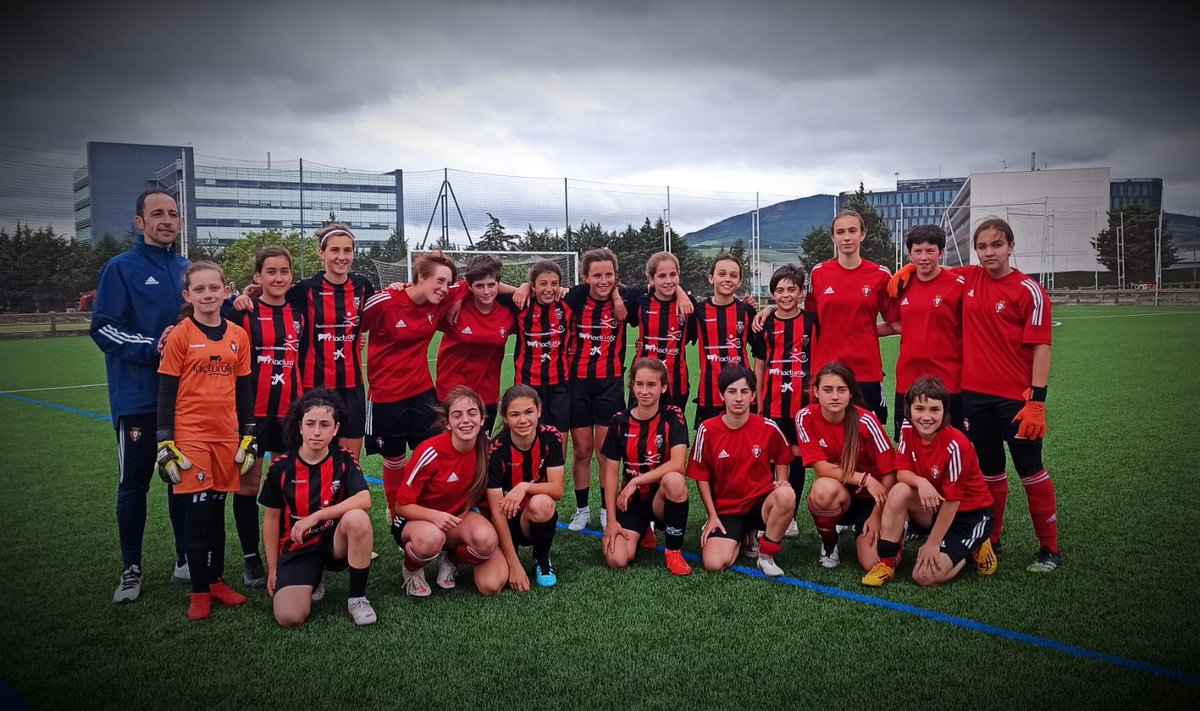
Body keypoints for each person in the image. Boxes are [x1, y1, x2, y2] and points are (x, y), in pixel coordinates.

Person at [893, 218, 1059, 572]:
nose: (989, 253)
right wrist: (908, 268)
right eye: (982, 247)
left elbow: (1042, 347)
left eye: (996, 245)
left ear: (1011, 247)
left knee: (1030, 470)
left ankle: (1049, 548)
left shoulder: (1029, 290)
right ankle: (990, 539)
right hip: (973, 395)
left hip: (1016, 398)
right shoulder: (967, 278)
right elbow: (934, 268)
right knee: (990, 471)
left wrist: (1037, 401)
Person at [90, 189, 191, 604]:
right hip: (137, 398)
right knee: (134, 483)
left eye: (173, 213)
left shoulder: (187, 269)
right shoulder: (121, 268)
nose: (167, 220)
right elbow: (103, 328)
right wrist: (154, 347)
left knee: (180, 480)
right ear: (140, 222)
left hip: (185, 399)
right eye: (157, 213)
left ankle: (185, 559)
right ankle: (131, 569)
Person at [156, 261, 255, 620]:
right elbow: (166, 390)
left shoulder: (238, 335)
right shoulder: (180, 335)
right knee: (197, 513)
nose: (208, 294)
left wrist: (249, 433)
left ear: (226, 291)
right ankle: (198, 590)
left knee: (216, 513)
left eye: (214, 288)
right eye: (199, 289)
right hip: (191, 436)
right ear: (188, 295)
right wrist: (164, 440)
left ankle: (215, 581)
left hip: (226, 435)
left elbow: (244, 389)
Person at [233, 223, 375, 461]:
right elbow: (273, 296)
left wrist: (398, 287)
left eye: (347, 250)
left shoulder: (363, 286)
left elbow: (383, 309)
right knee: (311, 458)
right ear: (322, 253)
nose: (341, 257)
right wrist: (244, 296)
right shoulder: (305, 289)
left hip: (352, 387)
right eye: (335, 250)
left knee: (350, 460)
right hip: (313, 386)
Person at [361, 250, 469, 517]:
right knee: (395, 459)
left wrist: (524, 286)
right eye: (439, 281)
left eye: (448, 283)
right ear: (420, 276)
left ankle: (427, 508)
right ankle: (397, 515)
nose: (444, 288)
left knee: (431, 453)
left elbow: (475, 281)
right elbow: (351, 323)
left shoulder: (440, 299)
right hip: (386, 397)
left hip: (422, 394)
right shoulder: (386, 301)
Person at [861, 378, 997, 587]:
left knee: (923, 576)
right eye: (919, 409)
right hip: (937, 505)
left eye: (934, 409)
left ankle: (974, 547)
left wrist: (933, 543)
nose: (926, 417)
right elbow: (902, 472)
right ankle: (886, 564)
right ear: (909, 409)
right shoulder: (908, 427)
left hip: (968, 515)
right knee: (899, 491)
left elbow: (953, 500)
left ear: (945, 412)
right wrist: (921, 482)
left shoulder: (957, 445)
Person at [222, 245, 303, 589]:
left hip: (290, 414)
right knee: (249, 484)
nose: (278, 277)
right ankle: (251, 556)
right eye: (271, 271)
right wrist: (238, 297)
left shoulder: (299, 314)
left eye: (284, 271)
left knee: (288, 484)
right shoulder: (244, 312)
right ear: (258, 276)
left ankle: (286, 549)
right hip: (252, 415)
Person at [260, 389, 376, 626]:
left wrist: (317, 516)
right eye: (310, 423)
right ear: (300, 427)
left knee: (358, 518)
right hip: (298, 548)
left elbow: (364, 499)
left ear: (335, 429)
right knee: (289, 617)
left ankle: (357, 598)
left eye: (324, 425)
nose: (316, 431)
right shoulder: (281, 468)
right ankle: (312, 578)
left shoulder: (343, 459)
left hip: (333, 543)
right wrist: (273, 568)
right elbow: (271, 520)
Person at [390, 386, 506, 597]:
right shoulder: (430, 452)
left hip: (455, 519)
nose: (466, 420)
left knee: (486, 540)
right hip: (416, 521)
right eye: (457, 415)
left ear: (482, 419)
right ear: (447, 423)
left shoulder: (486, 450)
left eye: (472, 413)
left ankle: (450, 559)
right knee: (431, 538)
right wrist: (434, 516)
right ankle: (412, 569)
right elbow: (401, 506)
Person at [689, 366, 796, 577]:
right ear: (722, 395)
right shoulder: (707, 430)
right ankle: (744, 537)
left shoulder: (768, 426)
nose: (738, 398)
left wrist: (782, 481)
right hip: (728, 510)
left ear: (753, 396)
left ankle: (766, 555)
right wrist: (712, 516)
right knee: (713, 564)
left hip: (761, 505)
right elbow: (701, 476)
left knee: (786, 494)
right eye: (732, 391)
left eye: (744, 391)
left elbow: (783, 457)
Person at [798, 363, 896, 571]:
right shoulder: (805, 417)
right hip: (844, 493)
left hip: (874, 498)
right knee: (823, 490)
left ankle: (898, 527)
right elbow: (821, 468)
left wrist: (877, 515)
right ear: (816, 392)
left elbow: (890, 474)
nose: (835, 396)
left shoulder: (867, 421)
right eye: (827, 390)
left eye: (841, 390)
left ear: (850, 393)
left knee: (872, 564)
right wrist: (865, 479)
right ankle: (829, 542)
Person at [599, 358, 693, 576]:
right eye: (639, 384)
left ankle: (673, 551)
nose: (644, 391)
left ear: (664, 387)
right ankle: (642, 532)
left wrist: (636, 480)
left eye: (651, 385)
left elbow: (679, 464)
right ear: (632, 386)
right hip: (632, 503)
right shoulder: (619, 422)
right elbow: (610, 473)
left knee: (674, 480)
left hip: (661, 500)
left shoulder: (673, 416)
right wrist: (611, 521)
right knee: (616, 559)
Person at [803, 210, 893, 424]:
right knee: (827, 433)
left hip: (866, 371)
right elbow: (807, 319)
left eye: (852, 231)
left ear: (863, 235)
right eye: (840, 232)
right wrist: (769, 311)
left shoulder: (881, 275)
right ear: (833, 237)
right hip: (827, 371)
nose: (846, 237)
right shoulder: (819, 273)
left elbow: (896, 322)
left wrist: (866, 329)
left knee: (868, 434)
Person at [750, 264, 817, 537]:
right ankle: (770, 509)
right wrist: (757, 398)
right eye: (779, 290)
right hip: (772, 404)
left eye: (791, 289)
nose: (785, 295)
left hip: (803, 406)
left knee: (796, 459)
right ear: (772, 293)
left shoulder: (812, 322)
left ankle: (790, 515)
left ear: (801, 292)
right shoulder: (764, 325)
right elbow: (759, 365)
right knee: (770, 459)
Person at [881, 225, 966, 439]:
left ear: (941, 253)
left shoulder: (958, 285)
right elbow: (896, 325)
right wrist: (853, 331)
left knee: (951, 443)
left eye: (930, 251)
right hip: (908, 381)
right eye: (918, 251)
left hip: (948, 381)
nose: (924, 257)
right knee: (908, 444)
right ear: (910, 254)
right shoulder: (903, 285)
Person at [485, 385, 566, 590]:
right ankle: (509, 555)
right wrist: (513, 564)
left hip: (530, 517)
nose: (523, 420)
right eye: (515, 414)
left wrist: (524, 487)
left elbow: (557, 490)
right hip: (503, 520)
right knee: (490, 585)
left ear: (539, 411)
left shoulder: (551, 437)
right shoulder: (496, 450)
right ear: (505, 418)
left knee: (543, 503)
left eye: (529, 412)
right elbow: (496, 512)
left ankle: (541, 558)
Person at [435, 255, 518, 435]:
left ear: (498, 284)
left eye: (491, 285)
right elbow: (425, 290)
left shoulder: (507, 314)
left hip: (487, 394)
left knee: (482, 447)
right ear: (470, 286)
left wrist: (524, 287)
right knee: (452, 446)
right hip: (452, 391)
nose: (486, 291)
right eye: (479, 286)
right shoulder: (452, 308)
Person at [508, 260, 573, 442]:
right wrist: (521, 287)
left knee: (558, 437)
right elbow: (491, 287)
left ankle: (557, 463)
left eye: (554, 283)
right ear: (533, 286)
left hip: (559, 385)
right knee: (530, 438)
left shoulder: (567, 302)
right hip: (527, 385)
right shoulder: (521, 304)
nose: (549, 289)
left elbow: (602, 286)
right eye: (543, 283)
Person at [691, 253, 757, 427]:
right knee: (709, 441)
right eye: (722, 274)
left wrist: (768, 311)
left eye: (733, 275)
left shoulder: (747, 311)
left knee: (746, 440)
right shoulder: (698, 311)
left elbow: (761, 352)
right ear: (711, 278)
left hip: (742, 392)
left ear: (739, 282)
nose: (727, 279)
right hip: (709, 393)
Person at [628, 251, 696, 413]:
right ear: (651, 279)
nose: (668, 281)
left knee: (672, 426)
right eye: (662, 276)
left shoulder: (689, 305)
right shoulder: (639, 299)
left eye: (673, 275)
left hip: (676, 382)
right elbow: (612, 289)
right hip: (642, 381)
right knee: (639, 426)